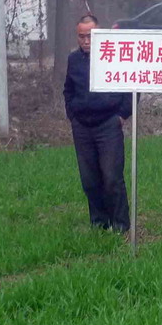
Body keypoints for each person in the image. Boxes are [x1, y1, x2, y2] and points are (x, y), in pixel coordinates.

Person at [63, 14, 132, 232]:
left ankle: (120, 225)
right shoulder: (74, 60)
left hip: (108, 124)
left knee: (112, 177)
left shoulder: (115, 55)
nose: (85, 41)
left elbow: (132, 85)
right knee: (89, 180)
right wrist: (72, 114)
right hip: (82, 125)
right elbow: (68, 90)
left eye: (90, 36)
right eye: (81, 36)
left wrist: (122, 115)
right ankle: (99, 223)